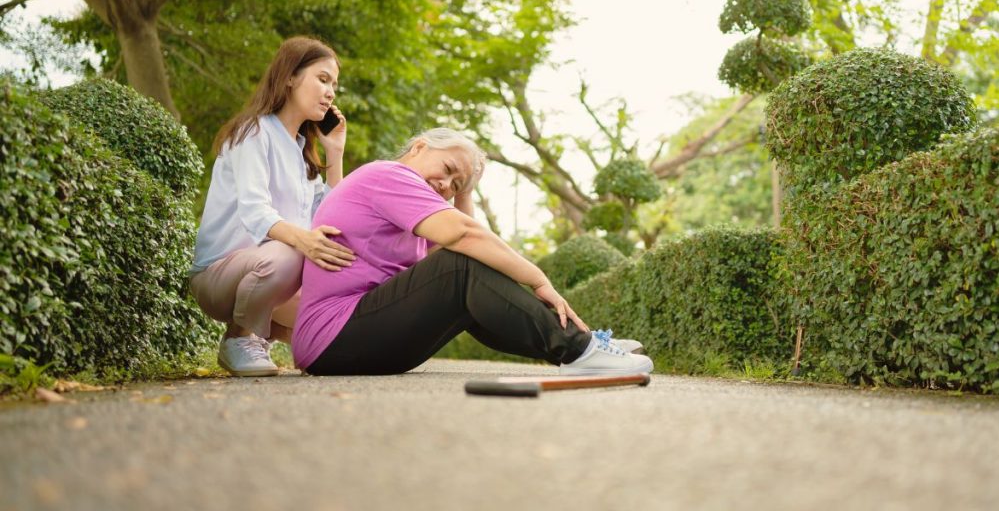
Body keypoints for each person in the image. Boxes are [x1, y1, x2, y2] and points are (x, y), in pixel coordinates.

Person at [293, 128, 654, 376]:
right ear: (419, 148)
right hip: (334, 337)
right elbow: (466, 239)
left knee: (467, 275)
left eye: (455, 185)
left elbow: (475, 249)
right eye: (447, 169)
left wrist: (465, 189)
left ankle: (577, 349)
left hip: (359, 339)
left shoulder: (416, 209)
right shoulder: (388, 175)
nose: (446, 185)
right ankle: (579, 351)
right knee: (459, 264)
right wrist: (538, 279)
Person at [190, 36, 356, 377]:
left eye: (334, 85)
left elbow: (330, 215)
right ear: (290, 77)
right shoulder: (253, 132)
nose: (331, 92)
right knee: (295, 249)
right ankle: (239, 337)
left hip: (273, 272)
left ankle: (265, 336)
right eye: (323, 79)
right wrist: (305, 241)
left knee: (329, 333)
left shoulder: (300, 151)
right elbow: (256, 212)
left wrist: (334, 153)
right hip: (220, 277)